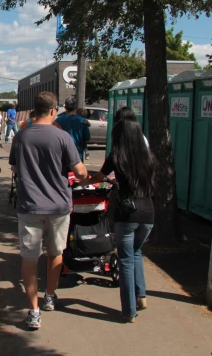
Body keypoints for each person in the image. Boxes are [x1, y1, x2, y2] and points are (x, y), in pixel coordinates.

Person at [9, 92, 89, 330]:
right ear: (54, 110)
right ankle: (50, 296)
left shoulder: (21, 137)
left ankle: (33, 311)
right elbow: (80, 171)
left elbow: (14, 167)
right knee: (55, 252)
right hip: (58, 205)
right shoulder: (63, 137)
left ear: (35, 109)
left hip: (29, 205)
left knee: (29, 256)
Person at [90, 118, 155, 323]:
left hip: (126, 214)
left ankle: (129, 311)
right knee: (136, 253)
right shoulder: (148, 157)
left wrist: (85, 179)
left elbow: (98, 177)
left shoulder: (117, 156)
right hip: (148, 213)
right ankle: (141, 295)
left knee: (125, 259)